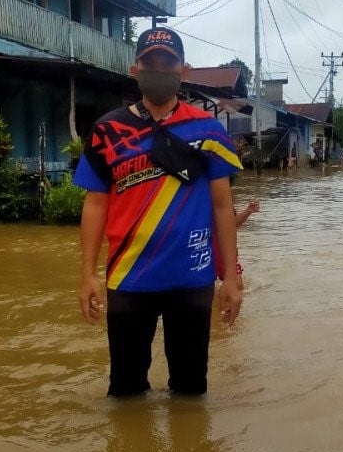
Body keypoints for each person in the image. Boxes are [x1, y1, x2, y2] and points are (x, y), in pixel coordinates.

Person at [73, 28, 243, 397]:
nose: (159, 69)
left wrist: (231, 277)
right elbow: (96, 203)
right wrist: (87, 274)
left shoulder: (209, 130)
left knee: (190, 391)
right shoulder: (108, 130)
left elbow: (222, 207)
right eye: (150, 62)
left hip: (192, 278)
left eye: (168, 62)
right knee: (126, 391)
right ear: (135, 69)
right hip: (129, 278)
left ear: (184, 70)